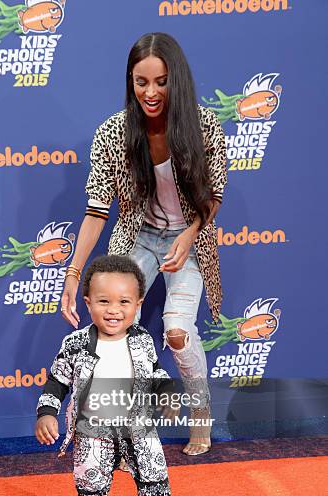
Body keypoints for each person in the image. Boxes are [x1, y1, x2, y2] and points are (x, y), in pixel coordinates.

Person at [61, 32, 227, 456]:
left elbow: (214, 197)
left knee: (175, 331)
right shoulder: (113, 133)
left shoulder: (204, 125)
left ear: (178, 81)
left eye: (161, 82)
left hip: (189, 240)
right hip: (138, 239)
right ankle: (109, 425)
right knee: (111, 326)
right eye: (141, 82)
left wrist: (190, 235)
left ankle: (201, 412)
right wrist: (74, 272)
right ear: (130, 81)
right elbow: (97, 211)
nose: (150, 93)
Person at [35, 255, 196, 496]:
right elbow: (57, 381)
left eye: (124, 302)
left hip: (139, 426)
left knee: (153, 471)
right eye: (103, 301)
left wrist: (166, 391)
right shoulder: (75, 344)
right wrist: (46, 413)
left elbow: (154, 370)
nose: (113, 310)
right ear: (87, 302)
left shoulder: (142, 340)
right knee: (89, 474)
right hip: (92, 428)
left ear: (138, 305)